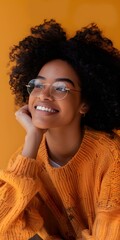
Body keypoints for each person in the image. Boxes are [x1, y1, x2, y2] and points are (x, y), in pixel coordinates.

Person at [0, 19, 120, 240]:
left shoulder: (113, 158)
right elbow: (4, 229)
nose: (43, 95)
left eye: (61, 88)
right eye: (37, 84)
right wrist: (32, 140)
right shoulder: (26, 158)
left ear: (84, 104)